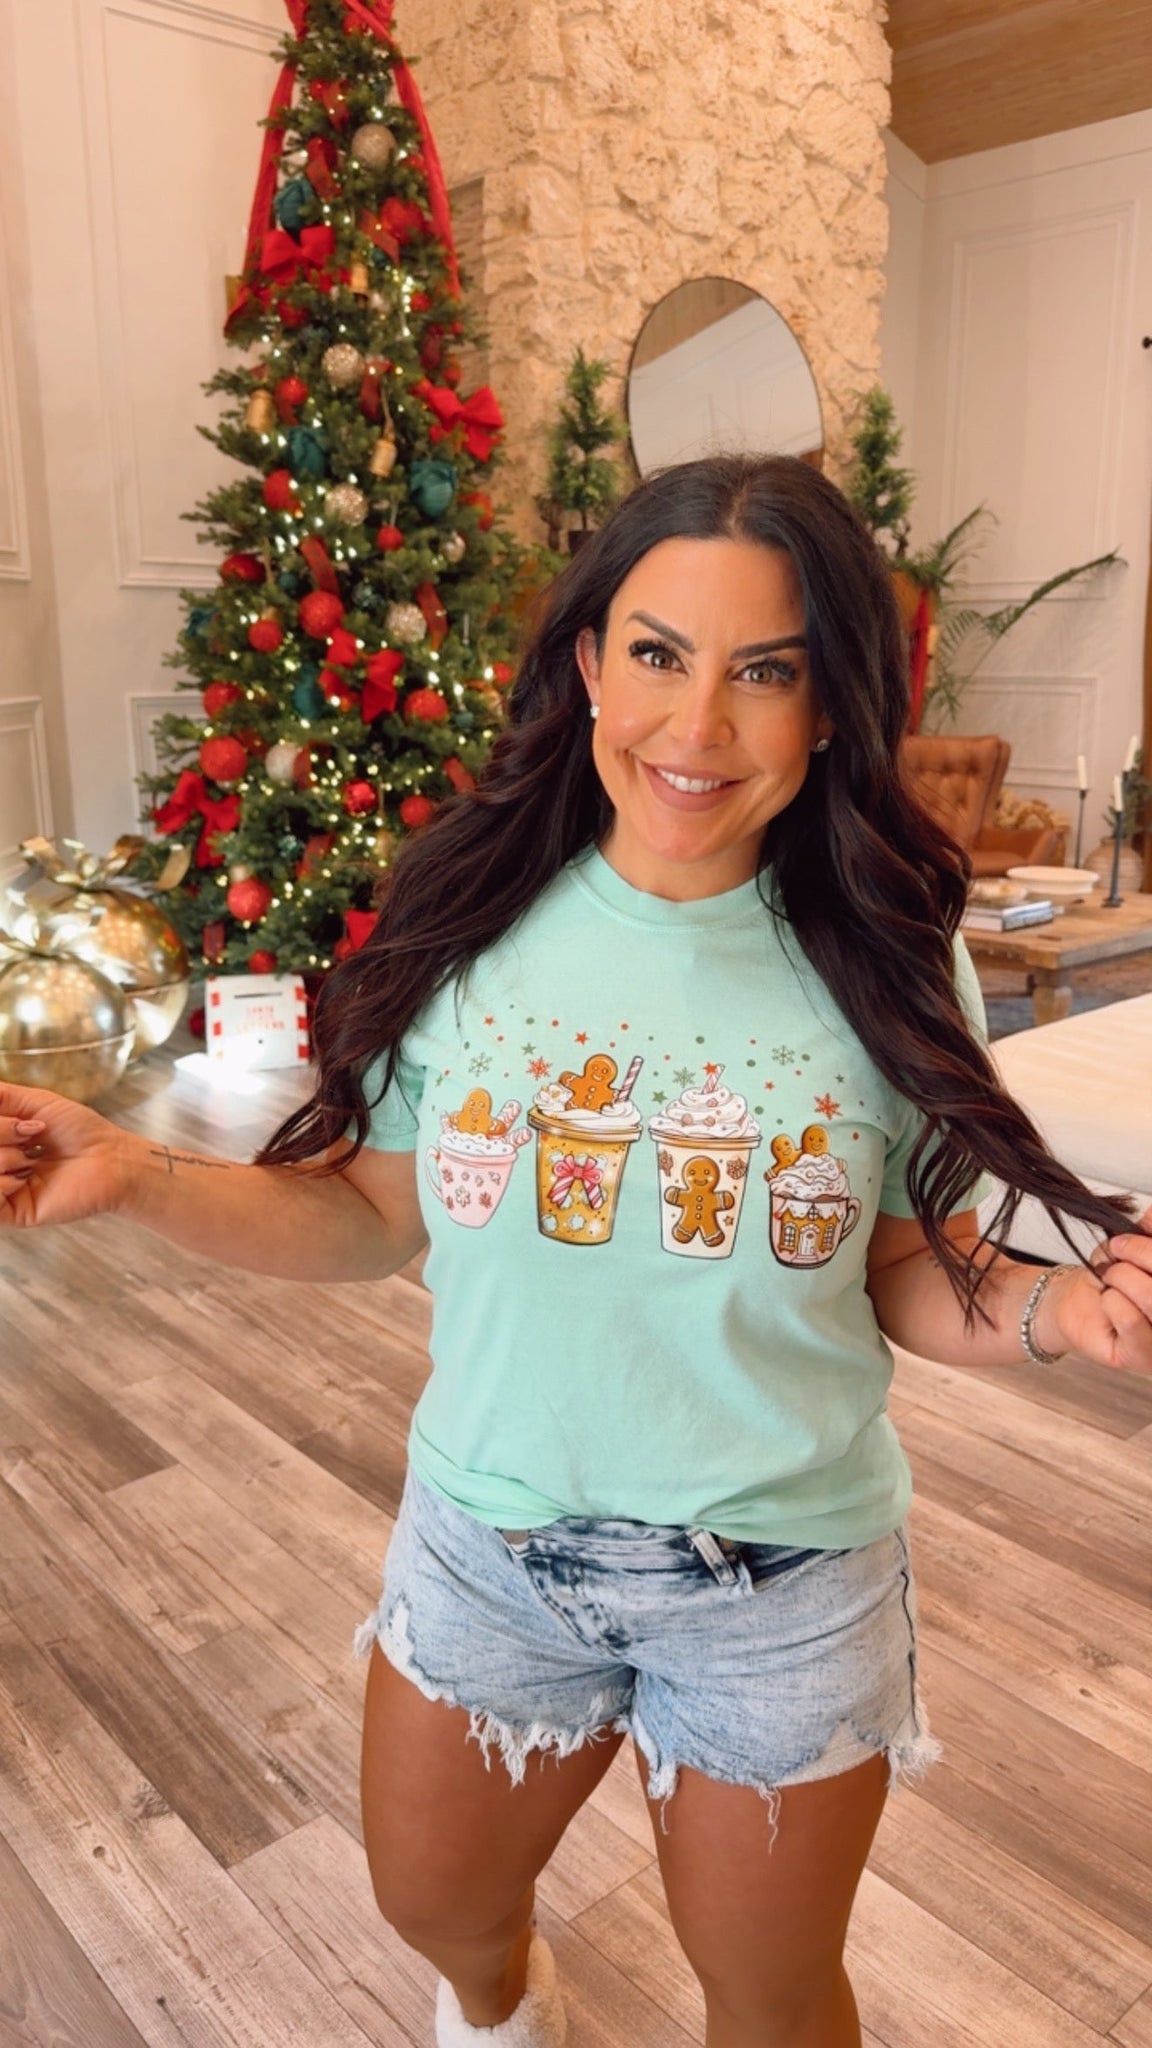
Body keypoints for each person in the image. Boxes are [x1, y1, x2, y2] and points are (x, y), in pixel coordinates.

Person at [2, 455, 1149, 2048]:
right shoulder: (471, 915)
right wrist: (132, 1174)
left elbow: (903, 1270)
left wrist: (1065, 1315)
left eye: (766, 673)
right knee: (436, 1906)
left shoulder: (892, 951)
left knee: (770, 2001)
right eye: (660, 654)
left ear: (831, 708)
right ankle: (502, 2013)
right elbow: (368, 1212)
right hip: (493, 1550)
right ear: (592, 661)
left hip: (781, 1583)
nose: (697, 725)